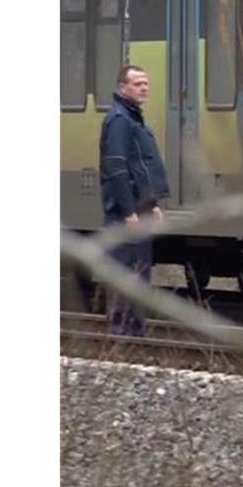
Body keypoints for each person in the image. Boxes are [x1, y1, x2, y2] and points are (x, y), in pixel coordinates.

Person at [99, 64, 170, 335]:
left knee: (139, 275)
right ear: (122, 87)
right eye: (138, 83)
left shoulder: (133, 119)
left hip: (140, 212)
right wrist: (128, 212)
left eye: (146, 83)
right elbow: (117, 169)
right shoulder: (119, 121)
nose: (144, 88)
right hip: (124, 217)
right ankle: (122, 338)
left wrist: (152, 205)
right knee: (126, 275)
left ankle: (134, 336)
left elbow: (140, 169)